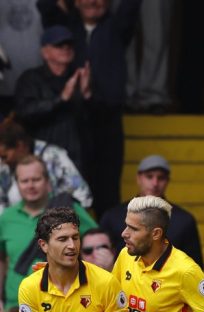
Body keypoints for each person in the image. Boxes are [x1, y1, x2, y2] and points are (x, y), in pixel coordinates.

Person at [37, 0, 143, 218]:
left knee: (108, 189)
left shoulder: (116, 27)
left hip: (108, 118)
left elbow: (131, 6)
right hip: (72, 120)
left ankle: (107, 245)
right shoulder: (67, 28)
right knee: (71, 191)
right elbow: (46, 6)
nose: (93, 2)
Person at [0, 155, 96, 309]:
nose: (30, 185)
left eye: (36, 179)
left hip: (63, 303)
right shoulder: (6, 218)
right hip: (15, 306)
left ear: (47, 181)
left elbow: (97, 240)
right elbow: (1, 260)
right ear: (16, 184)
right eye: (24, 181)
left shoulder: (67, 208)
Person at [99, 155, 204, 268]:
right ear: (139, 178)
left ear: (167, 181)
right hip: (122, 280)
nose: (155, 183)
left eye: (161, 178)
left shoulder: (184, 220)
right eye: (149, 177)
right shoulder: (113, 216)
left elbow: (195, 265)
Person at [14, 26, 91, 170]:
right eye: (59, 45)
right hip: (42, 155)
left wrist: (86, 94)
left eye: (69, 44)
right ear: (45, 52)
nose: (65, 48)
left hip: (79, 156)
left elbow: (95, 120)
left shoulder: (81, 77)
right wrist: (61, 99)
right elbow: (25, 112)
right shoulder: (31, 78)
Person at [0, 121, 92, 212]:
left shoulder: (52, 156)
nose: (2, 161)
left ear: (20, 146)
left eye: (4, 156)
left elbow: (82, 196)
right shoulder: (4, 167)